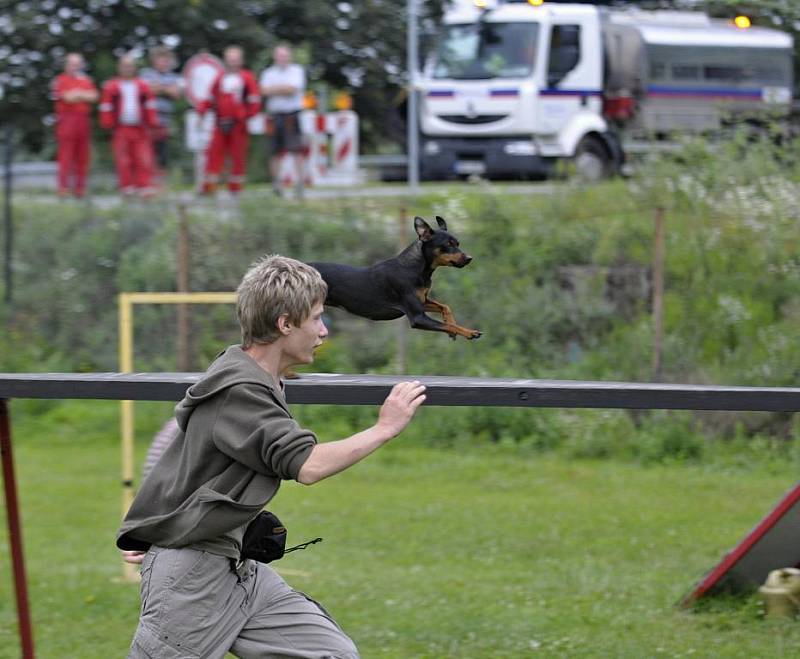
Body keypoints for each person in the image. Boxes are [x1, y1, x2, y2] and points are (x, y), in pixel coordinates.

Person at [118, 255, 426, 658]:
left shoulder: (258, 377)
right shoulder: (239, 390)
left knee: (330, 653)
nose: (323, 330)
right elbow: (308, 465)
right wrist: (385, 427)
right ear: (284, 324)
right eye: (316, 318)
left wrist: (162, 527)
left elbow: (191, 465)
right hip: (193, 579)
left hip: (238, 569)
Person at [198, 46, 260, 195]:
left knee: (238, 156)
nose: (232, 63)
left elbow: (254, 100)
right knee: (213, 154)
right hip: (220, 122)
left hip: (238, 124)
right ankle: (209, 188)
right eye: (230, 60)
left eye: (235, 60)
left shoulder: (247, 78)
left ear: (241, 61)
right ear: (225, 60)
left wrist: (246, 116)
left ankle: (235, 189)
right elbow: (210, 98)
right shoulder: (220, 78)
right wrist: (201, 111)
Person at [99, 55, 160, 198]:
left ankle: (144, 187)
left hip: (140, 128)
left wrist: (152, 121)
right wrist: (107, 123)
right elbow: (106, 106)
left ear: (134, 68)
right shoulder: (112, 86)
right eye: (125, 66)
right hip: (121, 128)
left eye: (130, 66)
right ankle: (127, 187)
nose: (128, 69)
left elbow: (150, 104)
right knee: (123, 159)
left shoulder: (142, 85)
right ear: (119, 68)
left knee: (143, 158)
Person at [259, 45, 307, 198]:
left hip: (291, 115)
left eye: (285, 56)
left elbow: (292, 89)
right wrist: (283, 89)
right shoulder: (268, 73)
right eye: (279, 56)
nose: (282, 59)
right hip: (275, 116)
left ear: (290, 56)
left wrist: (275, 89)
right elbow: (263, 91)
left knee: (296, 149)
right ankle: (276, 184)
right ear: (275, 57)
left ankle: (299, 183)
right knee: (274, 151)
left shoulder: (297, 71)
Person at [50, 53, 99, 198]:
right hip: (67, 121)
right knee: (65, 155)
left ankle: (80, 188)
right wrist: (82, 94)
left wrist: (77, 94)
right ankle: (63, 188)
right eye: (72, 64)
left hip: (82, 120)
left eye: (78, 64)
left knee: (83, 155)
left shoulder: (86, 80)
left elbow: (94, 96)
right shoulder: (60, 80)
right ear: (66, 65)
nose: (75, 67)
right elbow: (67, 98)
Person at [140, 46, 182, 177]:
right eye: (161, 60)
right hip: (146, 122)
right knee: (146, 153)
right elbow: (145, 90)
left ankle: (160, 184)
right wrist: (165, 89)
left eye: (166, 60)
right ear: (154, 60)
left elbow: (176, 93)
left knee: (162, 154)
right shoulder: (145, 73)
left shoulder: (172, 76)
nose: (164, 63)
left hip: (164, 121)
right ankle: (146, 183)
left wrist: (159, 88)